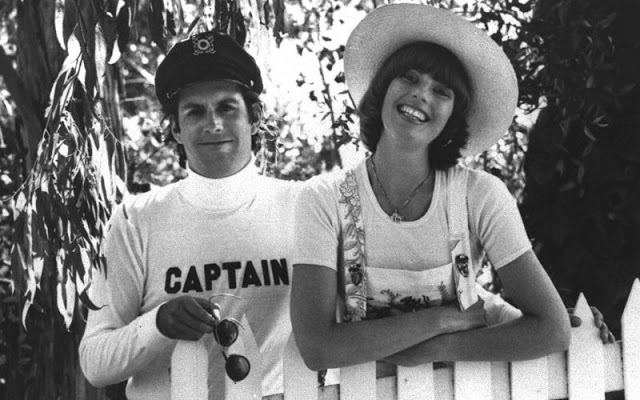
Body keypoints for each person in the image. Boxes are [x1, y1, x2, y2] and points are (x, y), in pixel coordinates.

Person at [290, 3, 611, 375]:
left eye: (441, 91)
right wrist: (441, 319)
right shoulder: (323, 199)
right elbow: (317, 347)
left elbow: (552, 330)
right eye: (409, 77)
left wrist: (435, 348)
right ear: (382, 88)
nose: (421, 94)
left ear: (454, 118)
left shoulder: (479, 196)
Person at [79, 31, 300, 399]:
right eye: (195, 111)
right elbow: (95, 364)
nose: (213, 123)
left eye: (227, 107)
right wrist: (158, 323)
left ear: (255, 117)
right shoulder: (136, 220)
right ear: (176, 130)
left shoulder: (302, 206)